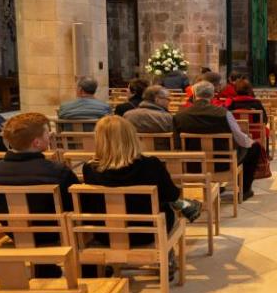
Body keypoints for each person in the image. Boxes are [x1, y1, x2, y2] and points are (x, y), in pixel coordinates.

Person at [81, 116, 200, 277]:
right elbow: (171, 194)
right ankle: (167, 253)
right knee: (167, 207)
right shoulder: (151, 164)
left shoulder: (89, 169)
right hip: (148, 232)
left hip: (106, 234)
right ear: (132, 136)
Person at [0, 112, 79, 232]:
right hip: (55, 231)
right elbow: (77, 203)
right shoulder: (58, 171)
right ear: (36, 142)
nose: (50, 136)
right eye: (47, 133)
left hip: (13, 231)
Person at [172, 81, 262, 200]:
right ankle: (244, 190)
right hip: (221, 164)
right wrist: (250, 142)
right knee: (254, 148)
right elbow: (240, 138)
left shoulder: (179, 116)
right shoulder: (223, 113)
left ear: (194, 94)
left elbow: (176, 142)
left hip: (191, 164)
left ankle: (218, 187)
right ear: (213, 95)